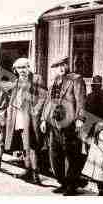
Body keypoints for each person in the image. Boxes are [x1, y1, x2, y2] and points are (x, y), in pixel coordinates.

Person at [40, 56, 86, 195]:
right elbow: (48, 101)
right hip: (54, 123)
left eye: (63, 65)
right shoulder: (55, 81)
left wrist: (80, 118)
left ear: (68, 65)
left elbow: (81, 101)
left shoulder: (76, 79)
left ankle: (71, 186)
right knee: (55, 154)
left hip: (69, 123)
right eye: (58, 65)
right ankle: (62, 182)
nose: (61, 68)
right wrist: (43, 119)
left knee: (71, 155)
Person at [4, 58, 46, 184]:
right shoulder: (17, 81)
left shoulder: (36, 78)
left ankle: (35, 174)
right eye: (19, 68)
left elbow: (43, 96)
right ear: (15, 70)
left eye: (24, 67)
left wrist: (36, 111)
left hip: (31, 118)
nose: (22, 70)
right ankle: (28, 170)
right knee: (24, 145)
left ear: (29, 67)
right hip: (18, 117)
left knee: (32, 146)